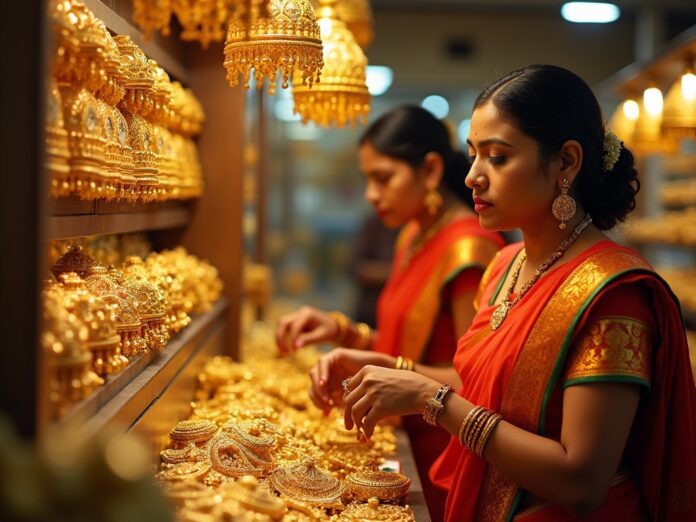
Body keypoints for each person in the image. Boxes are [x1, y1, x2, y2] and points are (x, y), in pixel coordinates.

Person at [309, 65, 696, 521]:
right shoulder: (505, 267)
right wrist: (384, 366)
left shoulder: (612, 297)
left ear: (566, 163)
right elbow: (478, 386)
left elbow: (581, 480)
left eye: (497, 157)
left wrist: (430, 400)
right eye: (473, 154)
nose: (473, 175)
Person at [276, 105, 504, 520]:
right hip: (396, 437)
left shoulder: (467, 249)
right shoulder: (414, 234)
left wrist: (400, 375)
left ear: (431, 170)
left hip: (440, 455)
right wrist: (340, 330)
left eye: (383, 178)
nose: (371, 194)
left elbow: (478, 383)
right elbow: (401, 345)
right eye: (368, 179)